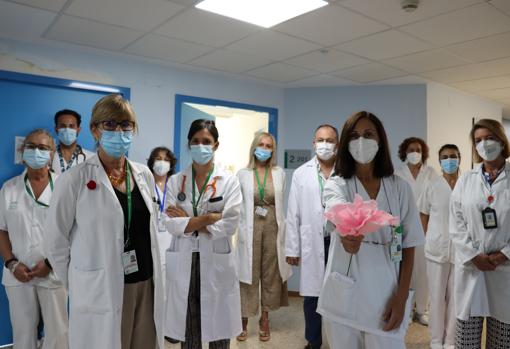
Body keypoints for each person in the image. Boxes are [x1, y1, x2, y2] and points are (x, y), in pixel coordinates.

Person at [43, 94, 164, 349]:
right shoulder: (74, 179)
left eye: (125, 125)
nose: (118, 131)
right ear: (94, 130)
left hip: (146, 283)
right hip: (103, 288)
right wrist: (81, 283)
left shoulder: (143, 174)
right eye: (109, 124)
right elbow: (55, 242)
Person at [318, 111, 424, 349]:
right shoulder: (337, 183)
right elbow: (336, 210)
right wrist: (347, 236)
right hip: (344, 294)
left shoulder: (400, 188)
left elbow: (408, 246)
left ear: (380, 140)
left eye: (368, 134)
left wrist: (402, 297)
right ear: (345, 144)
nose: (361, 141)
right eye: (354, 136)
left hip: (386, 295)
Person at [163, 119, 242, 349]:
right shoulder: (177, 180)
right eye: (196, 141)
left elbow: (230, 224)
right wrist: (207, 219)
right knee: (189, 319)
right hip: (185, 257)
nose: (201, 146)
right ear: (189, 144)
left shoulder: (229, 181)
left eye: (206, 141)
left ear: (216, 145)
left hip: (215, 257)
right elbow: (171, 223)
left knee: (218, 319)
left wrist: (188, 222)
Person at [0, 129, 68, 349]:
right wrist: (11, 263)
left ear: (51, 154)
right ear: (22, 151)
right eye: (31, 146)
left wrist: (50, 263)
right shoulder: (9, 188)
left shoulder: (65, 187)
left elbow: (73, 232)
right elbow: (1, 230)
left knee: (58, 333)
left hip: (54, 271)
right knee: (23, 332)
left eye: (43, 147)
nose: (36, 151)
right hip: (18, 274)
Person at [450, 119, 510, 349]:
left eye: (489, 138)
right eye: (478, 140)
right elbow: (456, 223)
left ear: (502, 141)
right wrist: (473, 255)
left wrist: (502, 255)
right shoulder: (466, 179)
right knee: (467, 339)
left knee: (502, 339)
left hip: (504, 270)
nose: (484, 144)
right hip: (471, 268)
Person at [285, 124, 339, 349]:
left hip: (339, 242)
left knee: (340, 293)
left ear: (337, 145)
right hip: (312, 241)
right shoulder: (302, 173)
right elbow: (293, 213)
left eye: (329, 140)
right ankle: (313, 341)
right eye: (320, 139)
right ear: (313, 143)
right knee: (312, 297)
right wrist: (292, 249)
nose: (324, 144)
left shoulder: (347, 171)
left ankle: (339, 340)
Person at [236, 132, 292, 342]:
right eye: (261, 144)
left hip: (272, 227)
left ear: (273, 150)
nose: (265, 148)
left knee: (270, 273)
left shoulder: (279, 173)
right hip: (249, 227)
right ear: (254, 147)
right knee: (248, 273)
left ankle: (265, 318)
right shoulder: (242, 174)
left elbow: (281, 204)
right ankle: (243, 319)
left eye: (269, 146)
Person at [418, 144, 460, 349]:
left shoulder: (465, 184)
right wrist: (430, 238)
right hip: (436, 250)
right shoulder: (432, 185)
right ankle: (436, 340)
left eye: (453, 156)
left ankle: (451, 341)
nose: (449, 160)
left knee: (456, 298)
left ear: (460, 158)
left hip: (461, 252)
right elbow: (423, 215)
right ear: (439, 160)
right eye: (445, 157)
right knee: (436, 297)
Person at [395, 136, 437, 326]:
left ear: (423, 153)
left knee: (423, 271)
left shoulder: (431, 173)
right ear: (405, 152)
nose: (415, 153)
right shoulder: (397, 174)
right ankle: (407, 309)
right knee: (404, 270)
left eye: (418, 150)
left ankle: (422, 309)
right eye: (411, 150)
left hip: (425, 228)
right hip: (402, 227)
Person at [147, 146, 179, 345]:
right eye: (157, 158)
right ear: (151, 161)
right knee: (151, 288)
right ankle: (151, 327)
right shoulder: (144, 181)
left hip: (170, 240)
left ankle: (169, 327)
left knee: (171, 287)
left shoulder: (175, 184)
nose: (161, 162)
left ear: (171, 164)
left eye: (165, 159)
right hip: (150, 240)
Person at [51, 109, 94, 174]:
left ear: (78, 130)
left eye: (71, 126)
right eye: (63, 126)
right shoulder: (48, 156)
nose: (67, 129)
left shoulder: (91, 158)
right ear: (56, 130)